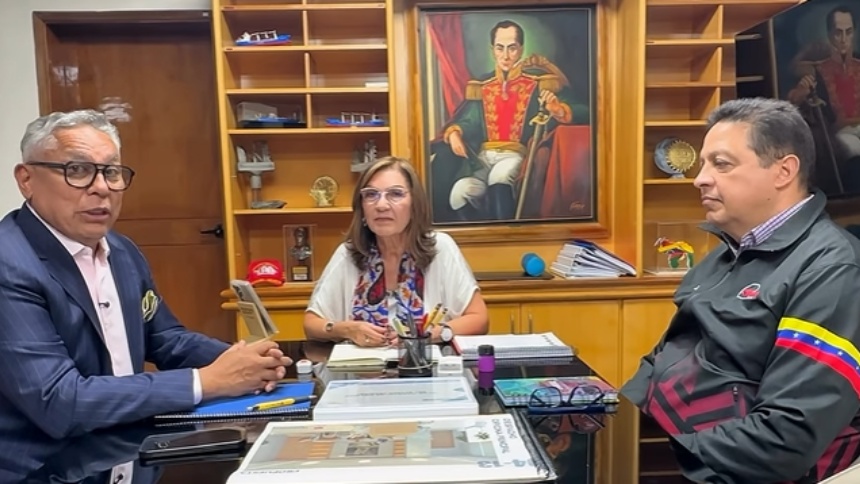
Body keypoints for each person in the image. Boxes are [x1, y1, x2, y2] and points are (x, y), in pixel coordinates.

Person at [0, 110, 292, 479]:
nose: (101, 188)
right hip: (45, 469)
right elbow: (59, 400)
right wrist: (206, 381)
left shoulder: (122, 251)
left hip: (125, 456)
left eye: (111, 172)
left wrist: (243, 361)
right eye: (78, 170)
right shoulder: (10, 263)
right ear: (26, 179)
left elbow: (165, 338)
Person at [621, 98, 860, 483]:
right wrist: (615, 426)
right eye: (703, 164)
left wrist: (666, 462)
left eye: (721, 164)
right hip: (663, 447)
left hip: (712, 469)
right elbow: (662, 359)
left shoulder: (832, 270)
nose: (700, 178)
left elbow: (786, 437)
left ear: (783, 171)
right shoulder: (728, 250)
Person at [303, 156, 488, 346]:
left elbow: (479, 319)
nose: (381, 205)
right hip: (362, 364)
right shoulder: (349, 253)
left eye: (395, 194)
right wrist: (345, 329)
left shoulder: (440, 247)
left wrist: (429, 335)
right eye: (371, 194)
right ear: (362, 208)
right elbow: (311, 324)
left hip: (426, 363)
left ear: (414, 204)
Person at [429, 20, 587, 223]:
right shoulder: (482, 85)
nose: (505, 55)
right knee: (459, 193)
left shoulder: (540, 82)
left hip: (515, 156)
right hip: (482, 158)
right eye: (500, 48)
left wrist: (559, 109)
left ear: (520, 49)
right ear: (492, 50)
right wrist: (455, 132)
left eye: (512, 48)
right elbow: (469, 119)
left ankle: (505, 232)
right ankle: (482, 237)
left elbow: (583, 110)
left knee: (500, 177)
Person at [787, 6, 860, 159]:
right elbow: (794, 97)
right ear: (830, 34)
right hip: (843, 135)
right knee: (851, 148)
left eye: (848, 32)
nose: (843, 39)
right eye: (838, 33)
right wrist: (801, 93)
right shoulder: (818, 70)